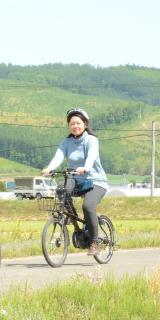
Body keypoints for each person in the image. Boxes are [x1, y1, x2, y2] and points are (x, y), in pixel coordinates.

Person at [41, 108, 109, 255]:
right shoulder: (66, 142)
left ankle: (94, 241)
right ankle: (73, 219)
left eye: (78, 123)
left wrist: (86, 167)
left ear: (85, 124)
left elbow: (91, 156)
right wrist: (49, 168)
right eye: (72, 124)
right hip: (75, 178)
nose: (75, 126)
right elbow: (58, 157)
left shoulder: (92, 140)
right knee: (61, 191)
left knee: (88, 207)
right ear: (68, 126)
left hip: (95, 180)